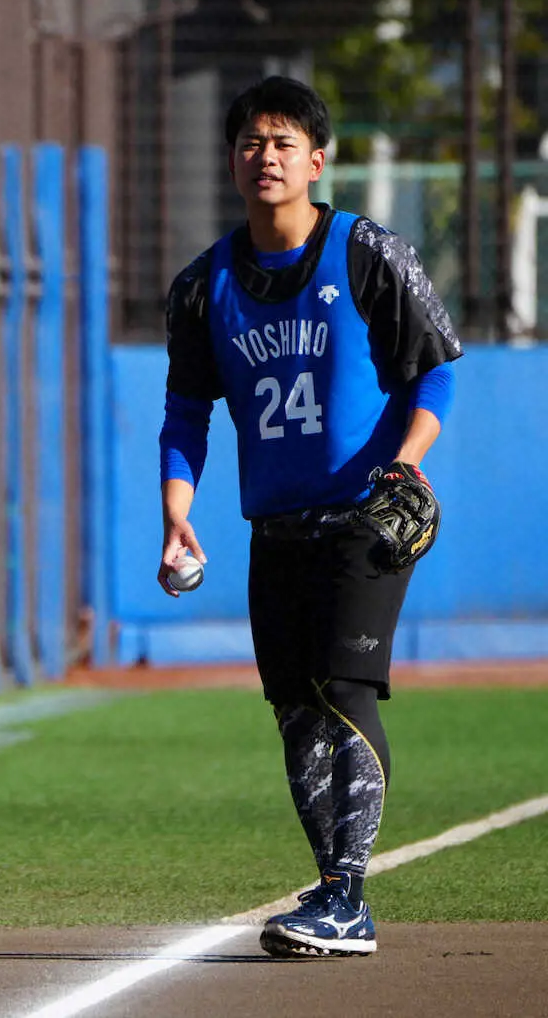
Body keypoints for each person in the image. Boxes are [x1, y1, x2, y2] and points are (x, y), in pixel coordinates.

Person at [157, 76, 460, 958]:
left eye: (284, 142)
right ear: (231, 161)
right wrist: (178, 514)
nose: (266, 156)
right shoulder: (202, 285)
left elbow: (432, 371)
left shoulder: (366, 252)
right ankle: (333, 891)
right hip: (275, 526)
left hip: (368, 514)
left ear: (317, 161)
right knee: (295, 708)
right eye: (251, 141)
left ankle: (348, 895)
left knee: (344, 689)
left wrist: (407, 459)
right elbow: (185, 411)